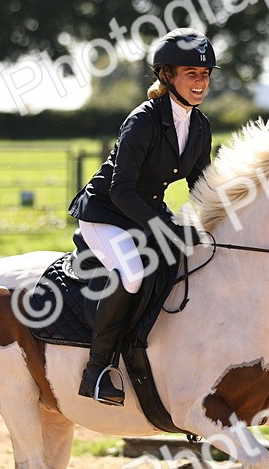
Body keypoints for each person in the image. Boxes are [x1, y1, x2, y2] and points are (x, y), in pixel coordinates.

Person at [66, 27, 216, 405]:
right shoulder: (143, 120)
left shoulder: (200, 125)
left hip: (144, 210)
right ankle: (97, 369)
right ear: (167, 75)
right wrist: (165, 227)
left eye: (205, 74)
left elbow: (202, 187)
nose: (200, 82)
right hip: (106, 212)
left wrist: (219, 221)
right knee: (132, 273)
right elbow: (121, 189)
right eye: (191, 74)